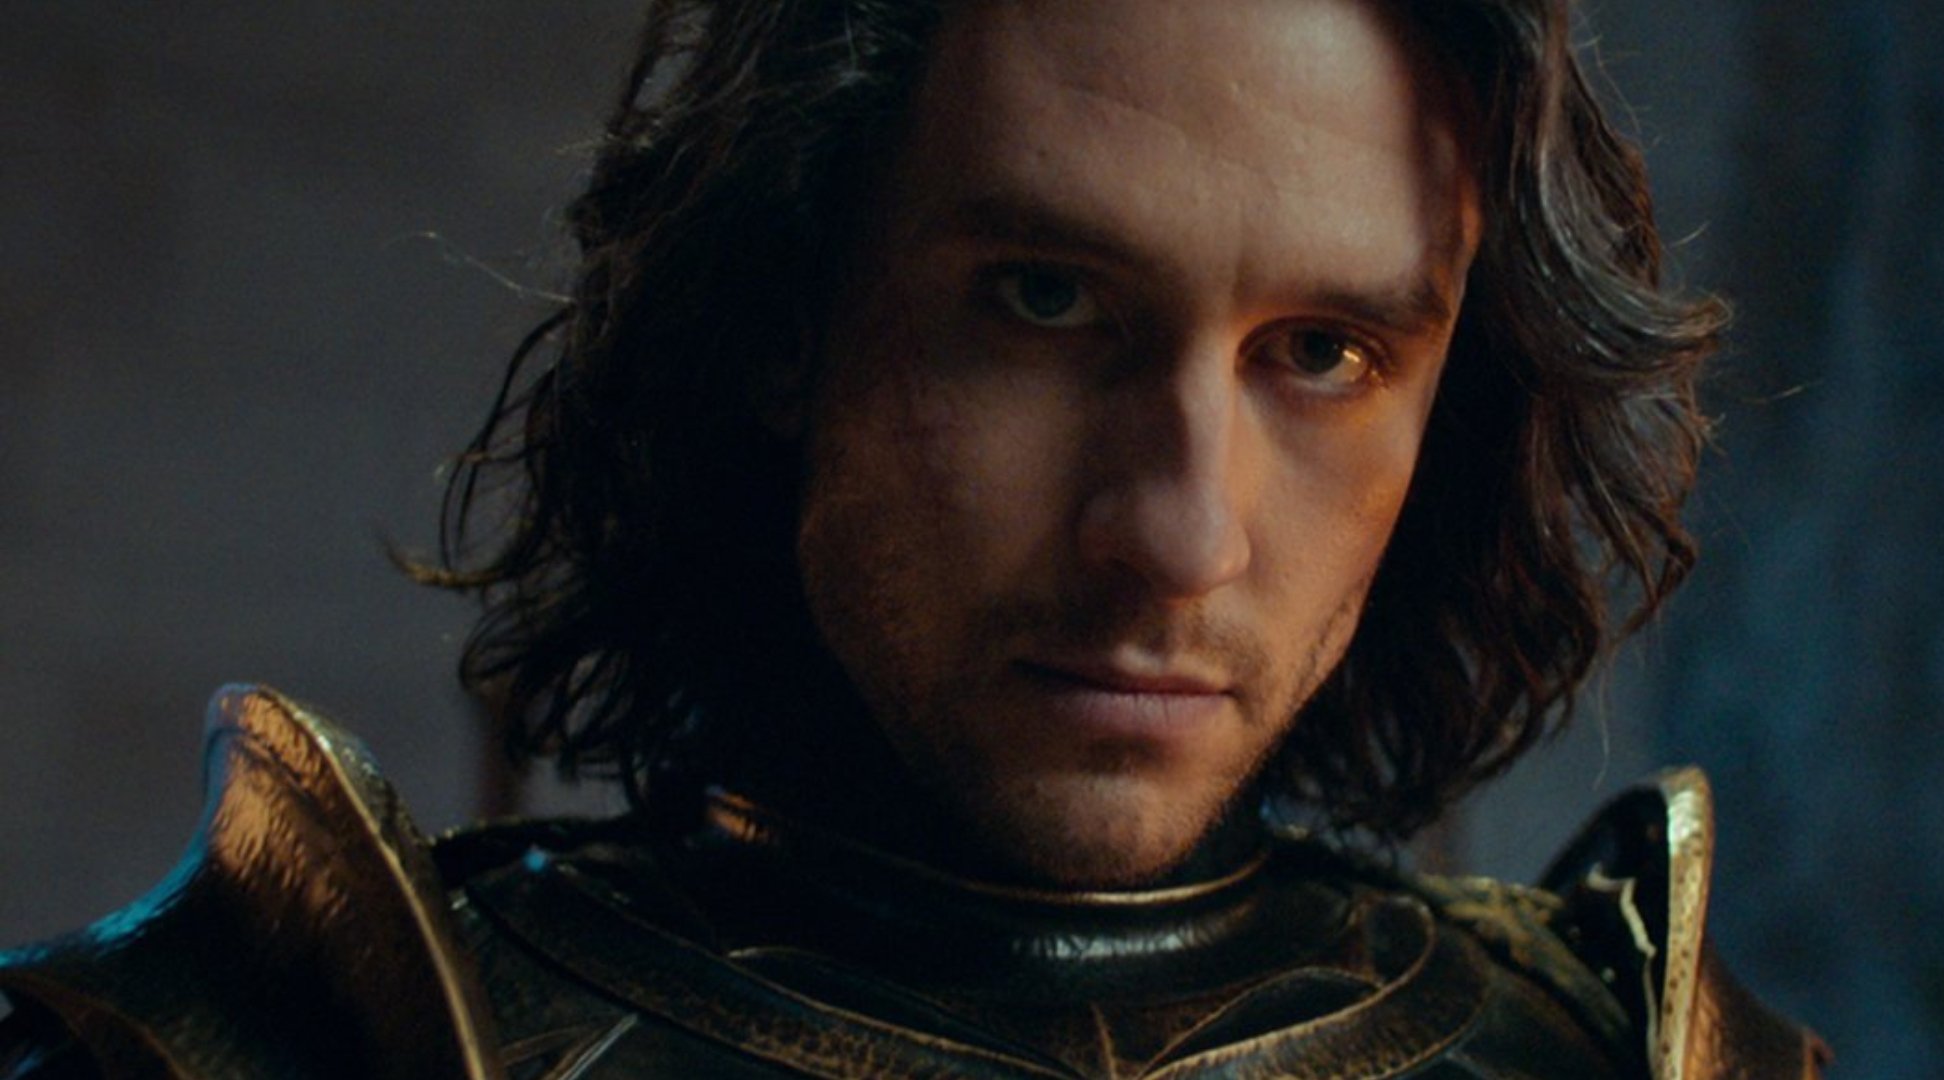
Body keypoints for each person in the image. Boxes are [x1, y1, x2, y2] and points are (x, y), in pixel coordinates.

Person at [0, 0, 1831, 1076]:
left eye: (1323, 354)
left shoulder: (1621, 1053)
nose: (1179, 536)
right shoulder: (288, 1039)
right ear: (787, 313)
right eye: (1043, 297)